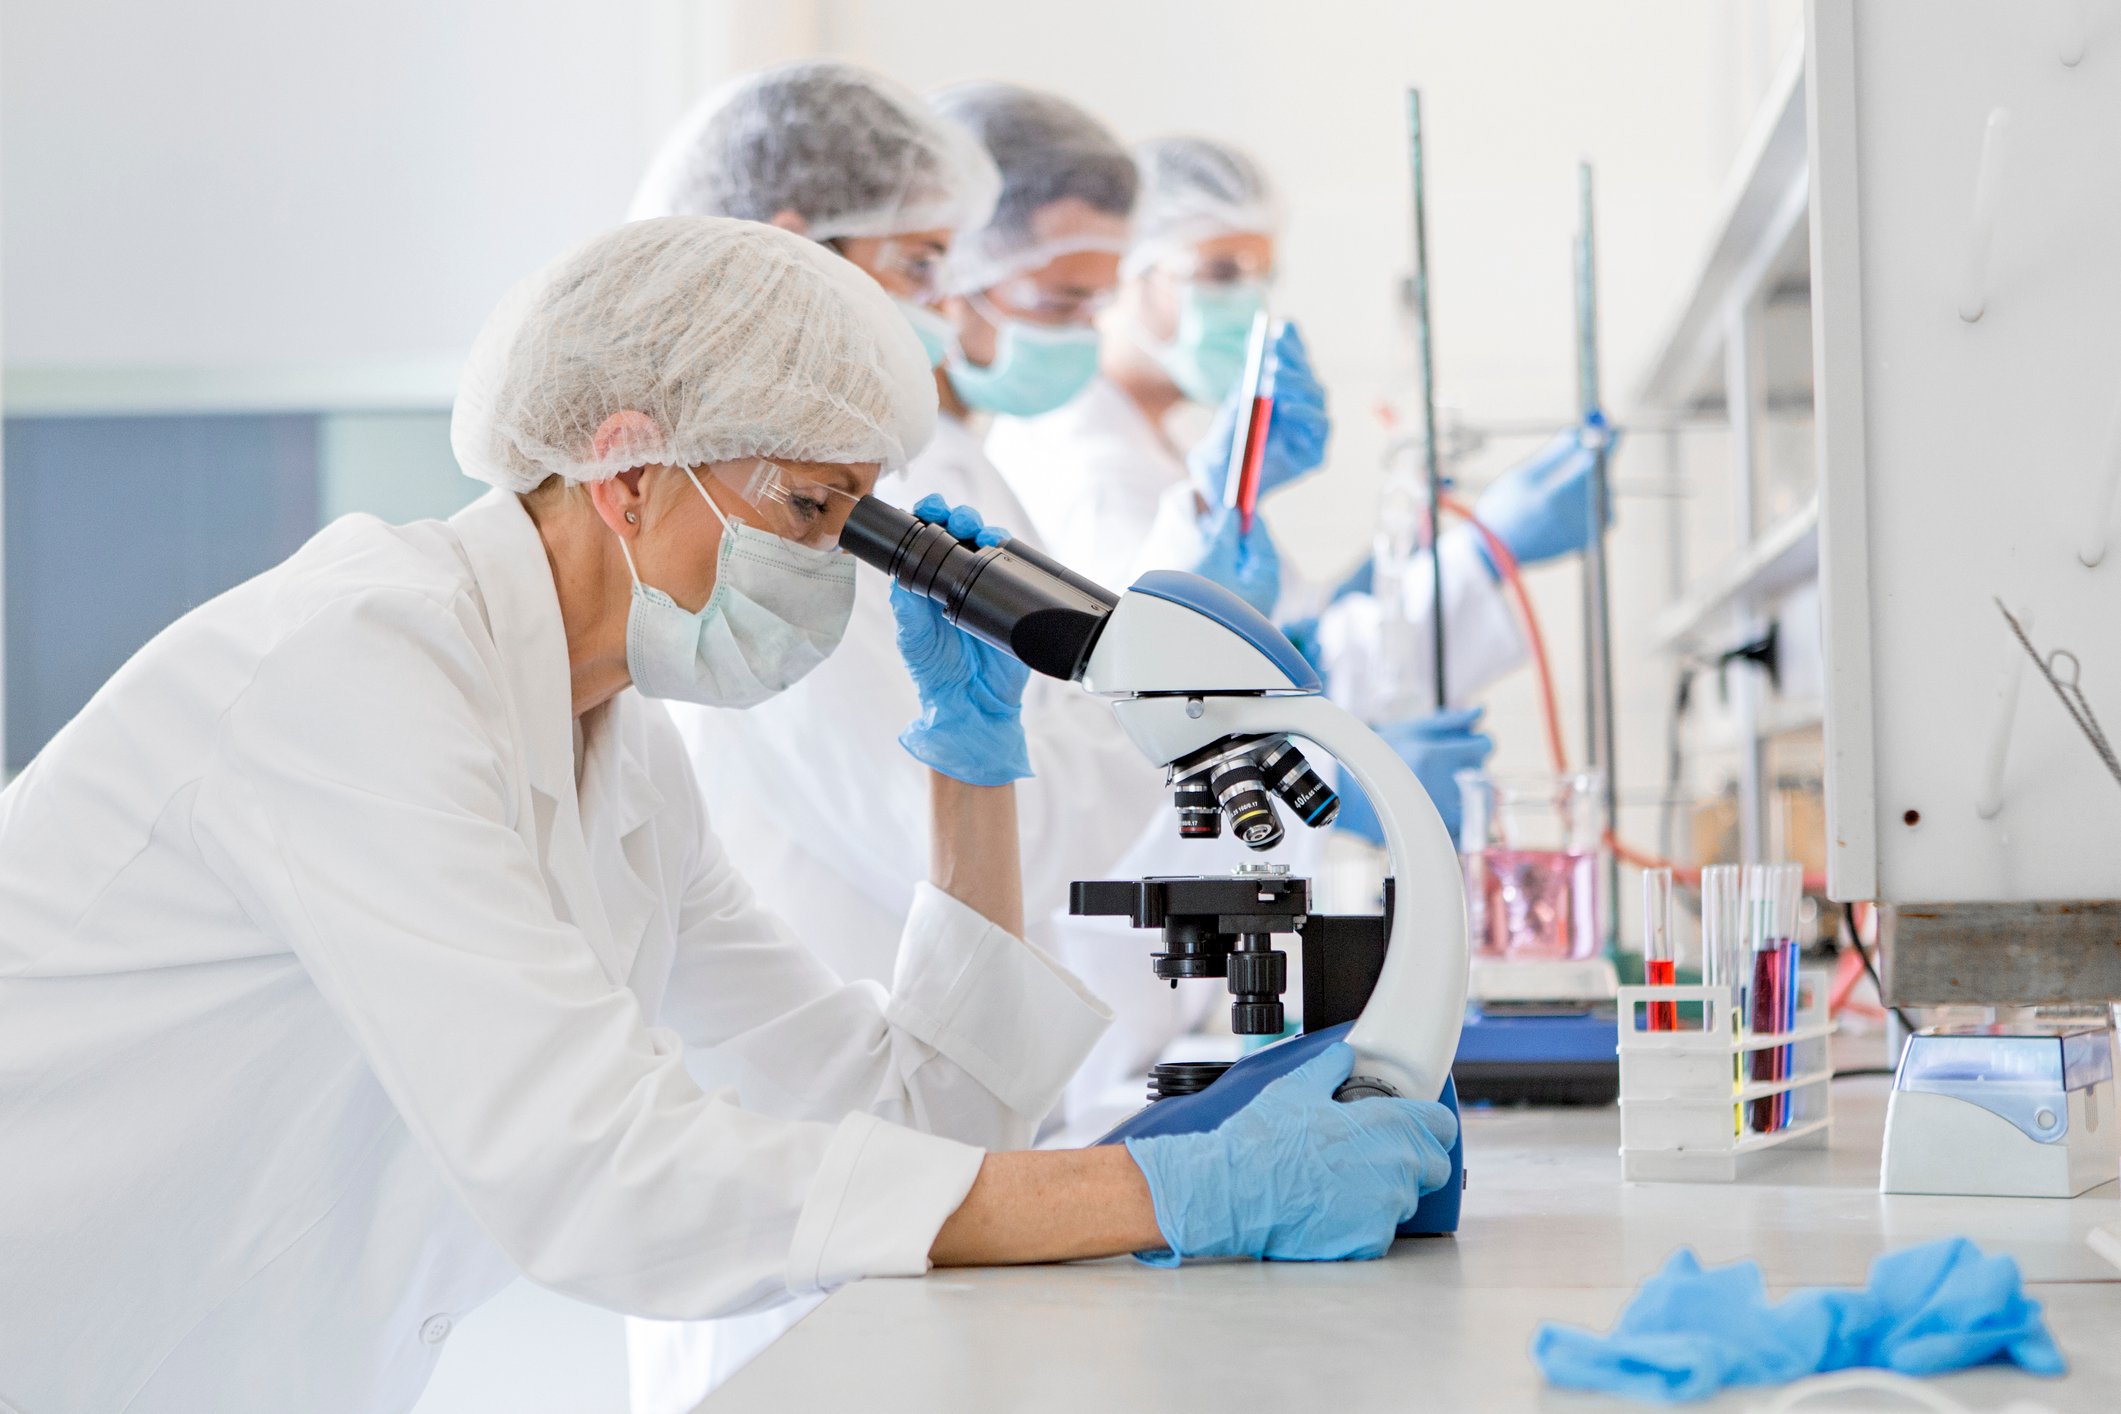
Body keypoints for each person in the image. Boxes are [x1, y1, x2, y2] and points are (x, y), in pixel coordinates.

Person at [0, 217, 1456, 1414]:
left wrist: (974, 764)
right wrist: (1161, 1193)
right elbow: (603, 1176)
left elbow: (912, 1114)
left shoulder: (617, 753)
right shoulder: (351, 674)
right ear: (629, 472)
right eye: (815, 512)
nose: (835, 572)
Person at [622, 69, 1218, 1406]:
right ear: (785, 253)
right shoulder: (773, 551)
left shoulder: (862, 491)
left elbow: (958, 1065)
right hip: (799, 1235)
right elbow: (997, 834)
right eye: (917, 262)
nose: (945, 302)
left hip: (893, 1151)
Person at [986, 133, 1611, 830]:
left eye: (1261, 277)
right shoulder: (1092, 468)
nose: (1247, 302)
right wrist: (1347, 782)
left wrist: (1405, 556)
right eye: (1219, 272)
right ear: (1127, 271)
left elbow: (1289, 644)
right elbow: (1157, 720)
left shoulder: (1164, 444)